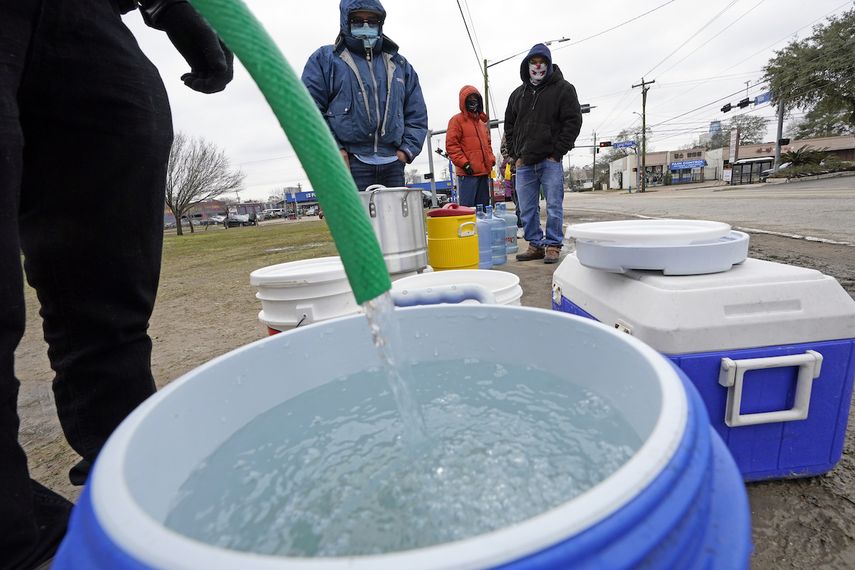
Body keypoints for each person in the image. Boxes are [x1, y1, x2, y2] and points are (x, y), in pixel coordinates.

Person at [0, 1, 233, 568]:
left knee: (106, 308)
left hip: (88, 14)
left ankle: (139, 502)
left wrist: (173, 6)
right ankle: (18, 546)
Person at [302, 0, 428, 192]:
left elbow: (417, 114)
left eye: (372, 20)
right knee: (350, 213)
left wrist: (405, 151)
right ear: (345, 21)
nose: (366, 25)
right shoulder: (325, 60)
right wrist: (335, 150)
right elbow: (309, 111)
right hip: (348, 164)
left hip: (393, 165)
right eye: (357, 20)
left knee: (395, 213)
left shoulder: (400, 65)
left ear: (380, 23)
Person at [504, 43, 582, 264]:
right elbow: (509, 126)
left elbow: (573, 121)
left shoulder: (564, 89)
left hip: (550, 161)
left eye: (542, 62)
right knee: (526, 209)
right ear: (527, 65)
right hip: (525, 162)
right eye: (533, 62)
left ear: (548, 64)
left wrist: (557, 152)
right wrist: (515, 156)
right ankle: (535, 245)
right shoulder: (517, 95)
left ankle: (553, 245)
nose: (537, 66)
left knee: (554, 206)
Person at [445, 86, 495, 208]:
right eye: (470, 99)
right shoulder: (456, 121)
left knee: (484, 211)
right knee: (467, 210)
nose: (473, 102)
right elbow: (452, 145)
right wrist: (465, 164)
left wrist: (491, 159)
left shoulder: (481, 124)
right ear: (464, 102)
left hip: (483, 173)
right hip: (467, 175)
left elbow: (488, 145)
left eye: (475, 99)